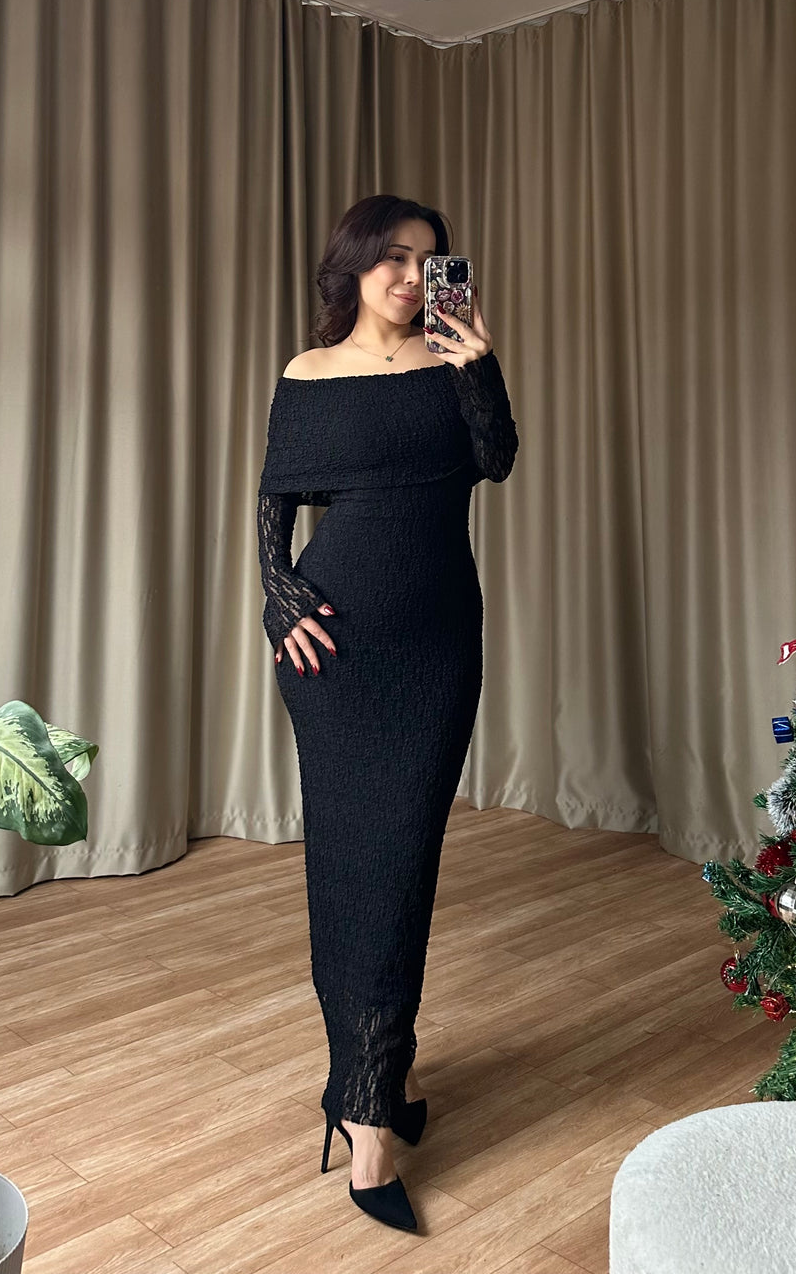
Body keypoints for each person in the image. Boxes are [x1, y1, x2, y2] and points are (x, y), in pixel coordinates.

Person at [256, 192, 519, 1233]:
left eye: (428, 260)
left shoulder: (454, 365)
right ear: (355, 266)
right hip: (335, 653)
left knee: (403, 864)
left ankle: (378, 1072)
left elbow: (496, 459)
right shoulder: (306, 373)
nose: (412, 277)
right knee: (349, 867)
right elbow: (275, 504)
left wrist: (480, 365)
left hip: (436, 648)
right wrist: (277, 596)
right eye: (393, 259)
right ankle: (367, 1113)